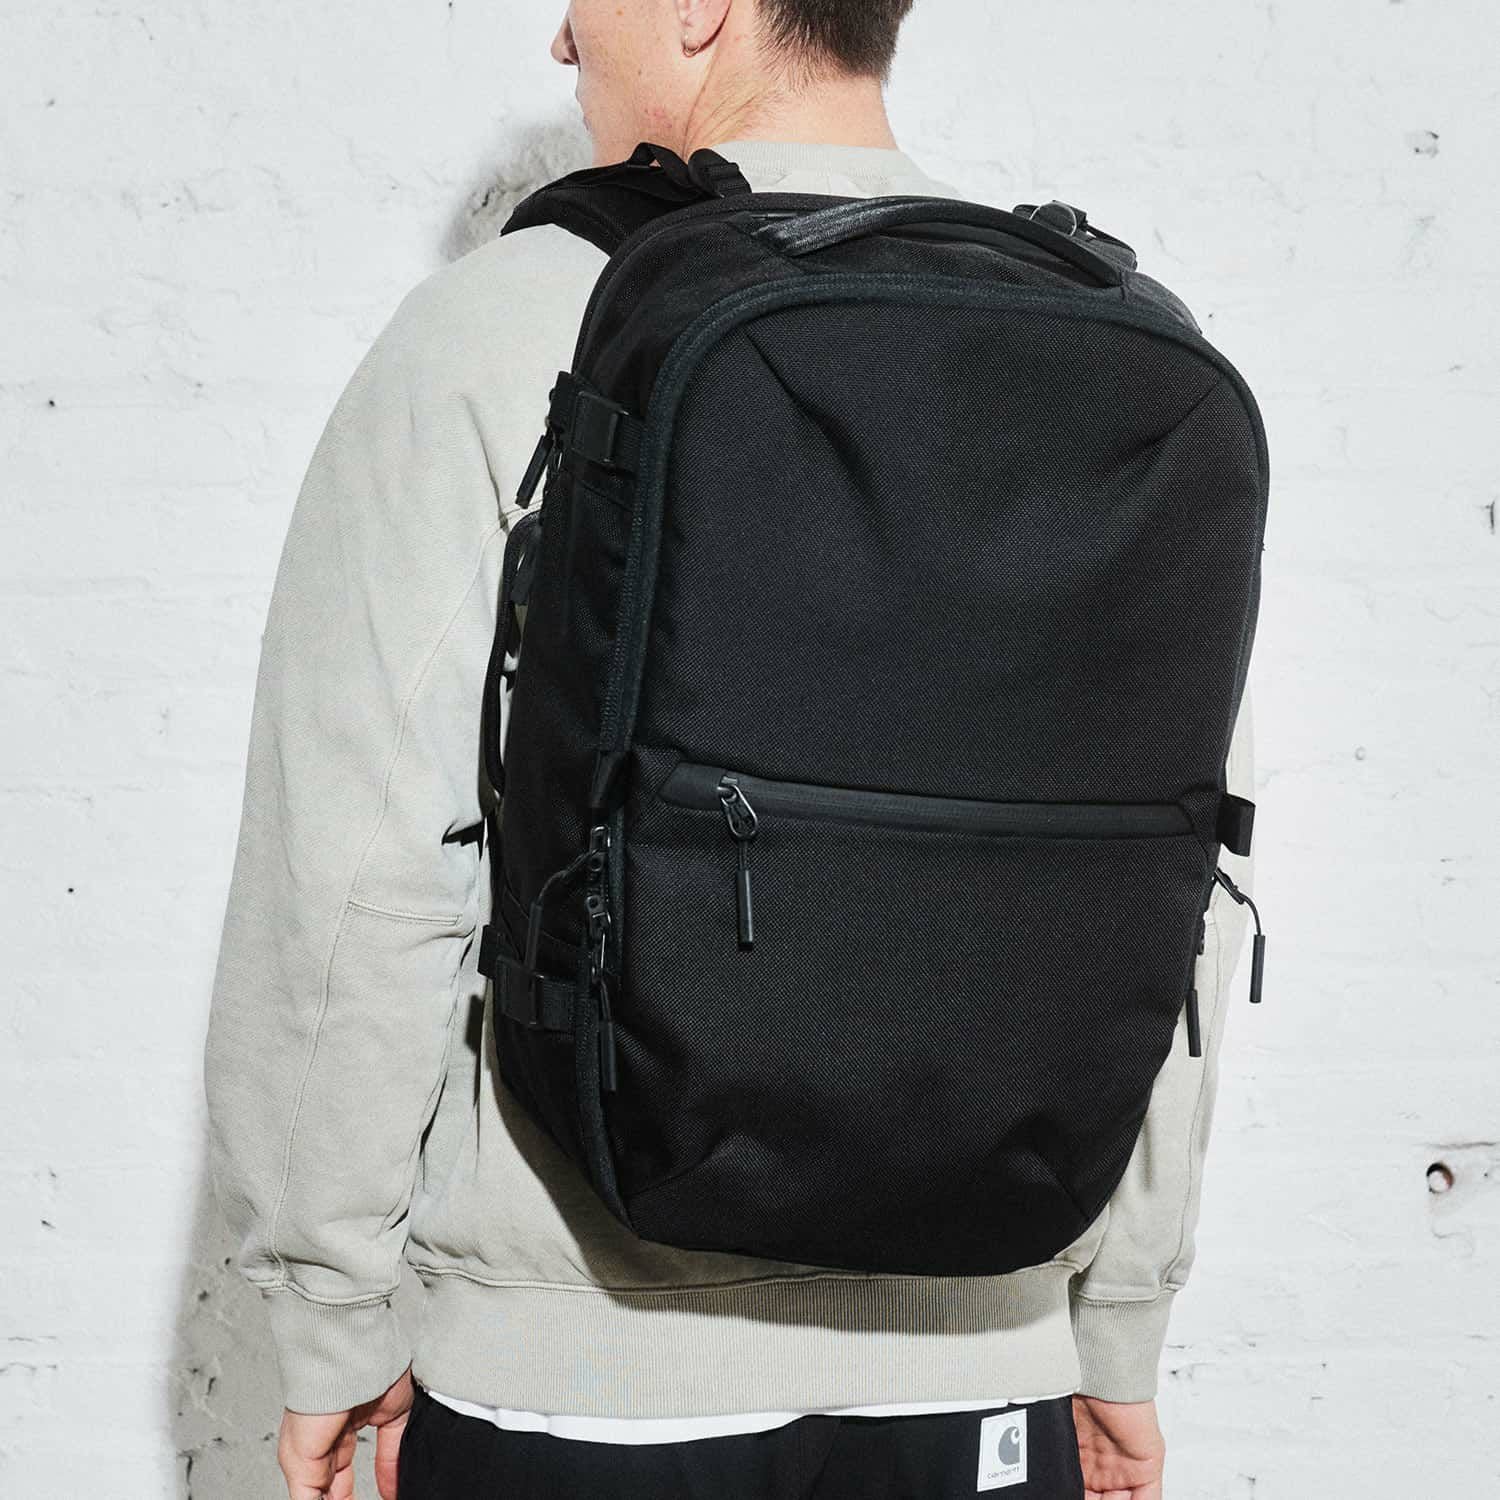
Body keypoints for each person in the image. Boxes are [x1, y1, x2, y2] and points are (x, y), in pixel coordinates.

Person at [203, 2, 1256, 1497]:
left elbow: (358, 871)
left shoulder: (510, 327)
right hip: (991, 1376)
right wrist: (1119, 1320)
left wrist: (333, 1317)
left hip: (582, 1387)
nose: (561, 39)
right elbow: (1182, 889)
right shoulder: (1115, 353)